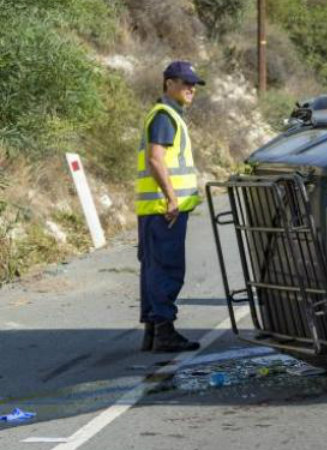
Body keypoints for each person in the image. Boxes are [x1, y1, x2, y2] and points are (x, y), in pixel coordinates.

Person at [136, 61, 205, 353]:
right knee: (166, 268)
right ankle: (164, 331)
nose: (191, 88)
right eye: (185, 82)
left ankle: (153, 331)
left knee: (154, 268)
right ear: (168, 84)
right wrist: (172, 197)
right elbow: (155, 159)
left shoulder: (167, 115)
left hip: (156, 209)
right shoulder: (165, 116)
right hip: (164, 209)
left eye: (194, 84)